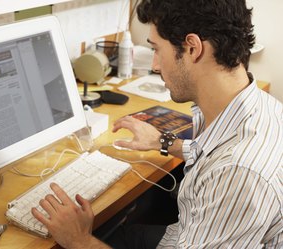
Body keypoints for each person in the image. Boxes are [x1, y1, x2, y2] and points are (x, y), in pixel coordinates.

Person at [31, 0, 283, 248]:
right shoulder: (257, 105)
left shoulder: (239, 174)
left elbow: (229, 169)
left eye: (156, 49)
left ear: (193, 48)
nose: (154, 65)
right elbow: (213, 152)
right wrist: (163, 142)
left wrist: (80, 241)